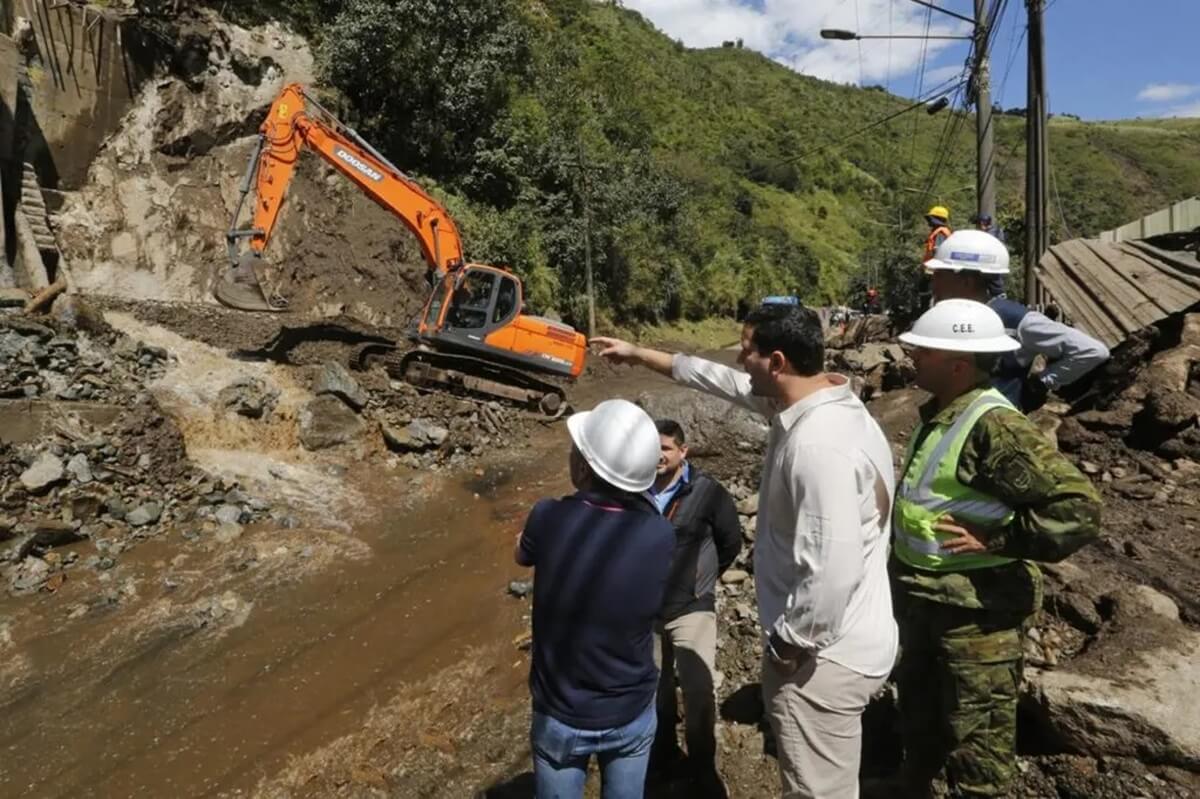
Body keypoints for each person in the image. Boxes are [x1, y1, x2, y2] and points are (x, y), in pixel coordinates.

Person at [593, 302, 898, 799]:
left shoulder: (818, 446)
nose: (738, 358)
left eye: (746, 349)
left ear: (776, 362)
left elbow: (832, 571)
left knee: (817, 791)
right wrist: (637, 353)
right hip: (851, 637)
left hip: (823, 660)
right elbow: (711, 377)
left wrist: (786, 647)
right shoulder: (814, 401)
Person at [885, 299, 1101, 798]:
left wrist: (999, 539)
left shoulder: (994, 426)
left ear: (958, 365)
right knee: (920, 711)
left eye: (925, 351)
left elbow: (1079, 509)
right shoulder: (941, 412)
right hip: (928, 599)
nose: (913, 356)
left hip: (977, 611)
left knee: (978, 737)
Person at [515, 398, 675, 799]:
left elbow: (522, 554)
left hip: (561, 715)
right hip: (632, 710)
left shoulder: (547, 516)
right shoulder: (661, 534)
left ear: (584, 467)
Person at [647, 419, 741, 792]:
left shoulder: (707, 492)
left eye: (666, 448)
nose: (658, 455)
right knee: (655, 690)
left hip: (692, 607)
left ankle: (702, 764)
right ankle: (664, 755)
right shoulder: (634, 489)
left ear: (683, 451)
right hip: (647, 611)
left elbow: (730, 540)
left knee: (698, 689)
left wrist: (705, 580)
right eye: (653, 448)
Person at [926, 229, 1110, 412]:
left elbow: (1092, 351)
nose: (933, 284)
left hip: (994, 428)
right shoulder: (947, 318)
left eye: (939, 276)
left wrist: (1041, 382)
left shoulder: (1016, 320)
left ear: (967, 282)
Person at [970, 213, 1007, 298]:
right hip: (995, 265)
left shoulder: (987, 235)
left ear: (982, 223)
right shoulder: (997, 231)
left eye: (977, 224)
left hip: (989, 265)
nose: (977, 227)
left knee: (995, 287)